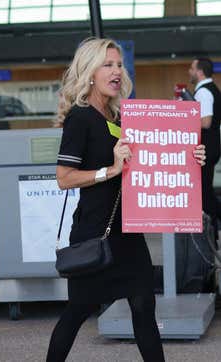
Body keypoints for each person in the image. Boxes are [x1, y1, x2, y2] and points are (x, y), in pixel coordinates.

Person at [46, 37, 206, 362]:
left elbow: (152, 154)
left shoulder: (121, 117)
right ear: (90, 72)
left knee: (144, 307)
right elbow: (63, 178)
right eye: (108, 64)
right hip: (95, 233)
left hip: (128, 233)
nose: (117, 70)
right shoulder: (80, 118)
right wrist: (111, 169)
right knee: (77, 311)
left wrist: (189, 155)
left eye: (119, 64)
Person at [188, 58, 220, 223]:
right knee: (205, 191)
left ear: (199, 71)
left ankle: (212, 231)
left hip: (206, 149)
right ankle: (212, 234)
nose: (189, 72)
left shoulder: (203, 92)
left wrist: (184, 118)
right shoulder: (210, 89)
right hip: (212, 147)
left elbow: (205, 122)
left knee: (205, 193)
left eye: (192, 68)